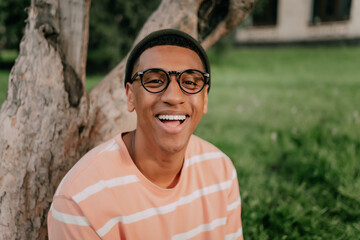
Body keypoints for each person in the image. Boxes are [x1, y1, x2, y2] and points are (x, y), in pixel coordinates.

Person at [47, 29, 242, 239]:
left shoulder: (221, 170)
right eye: (155, 81)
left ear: (204, 99)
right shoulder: (79, 201)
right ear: (130, 96)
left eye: (190, 82)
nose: (173, 97)